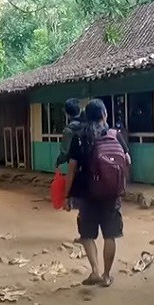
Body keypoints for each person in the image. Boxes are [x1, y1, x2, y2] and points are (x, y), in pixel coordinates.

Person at [64, 99, 130, 287]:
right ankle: (107, 276)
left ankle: (95, 271)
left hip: (87, 193)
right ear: (104, 115)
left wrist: (67, 195)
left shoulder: (80, 138)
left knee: (87, 234)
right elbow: (128, 160)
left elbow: (72, 169)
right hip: (111, 193)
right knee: (110, 235)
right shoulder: (115, 135)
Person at [57, 98, 84, 243]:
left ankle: (83, 235)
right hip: (92, 167)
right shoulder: (87, 125)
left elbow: (65, 152)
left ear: (67, 113)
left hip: (77, 168)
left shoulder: (69, 130)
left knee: (80, 203)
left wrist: (59, 161)